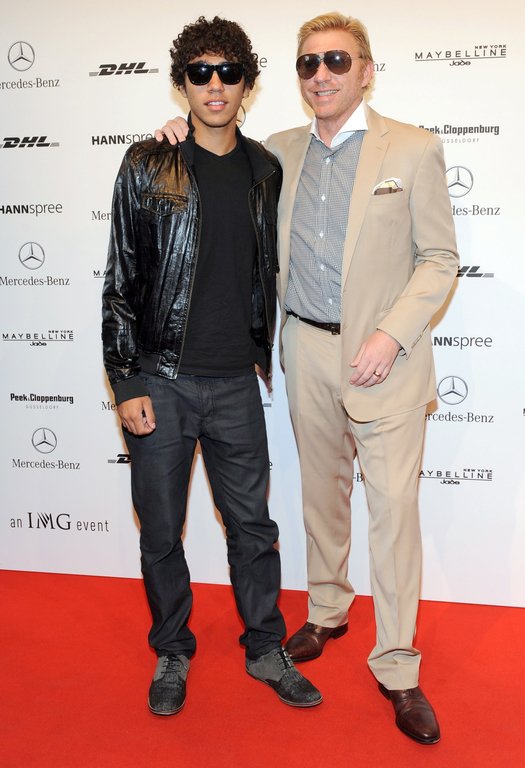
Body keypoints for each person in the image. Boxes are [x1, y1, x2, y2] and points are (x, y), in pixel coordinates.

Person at [157, 12, 458, 743]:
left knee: (392, 511)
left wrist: (391, 333)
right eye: (307, 63)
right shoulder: (277, 153)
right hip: (307, 350)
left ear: (366, 71)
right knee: (323, 498)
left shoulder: (413, 148)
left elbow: (438, 259)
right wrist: (173, 131)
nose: (321, 74)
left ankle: (397, 666)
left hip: (385, 358)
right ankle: (327, 609)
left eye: (336, 61)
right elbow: (213, 155)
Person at [102, 15, 322, 717]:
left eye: (228, 72)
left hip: (234, 382)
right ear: (183, 84)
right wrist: (125, 381)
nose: (215, 85)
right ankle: (172, 649)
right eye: (200, 72)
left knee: (252, 527)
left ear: (247, 84)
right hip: (160, 381)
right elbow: (121, 280)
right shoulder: (148, 163)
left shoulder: (265, 170)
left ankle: (265, 646)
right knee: (161, 531)